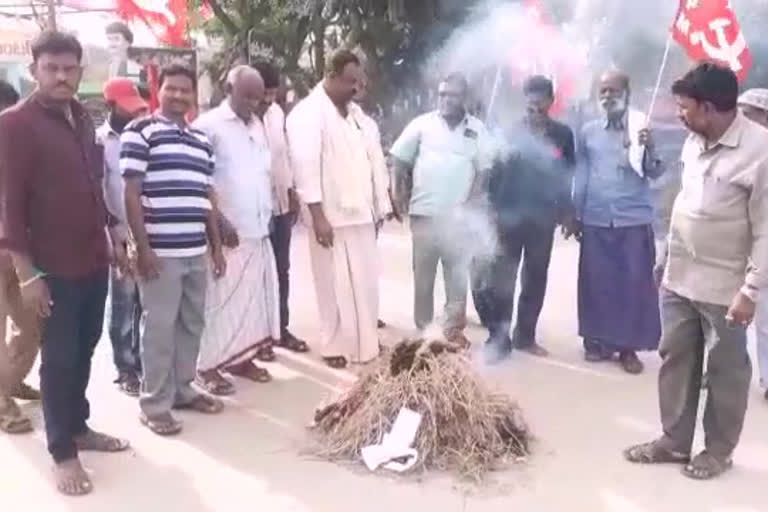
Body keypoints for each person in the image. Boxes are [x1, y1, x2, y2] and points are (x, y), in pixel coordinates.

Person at [0, 31, 130, 496]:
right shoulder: (14, 124)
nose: (60, 76)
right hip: (50, 268)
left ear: (80, 71)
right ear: (35, 69)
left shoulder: (82, 117)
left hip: (92, 259)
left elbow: (93, 184)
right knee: (58, 358)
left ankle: (78, 426)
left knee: (87, 347)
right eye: (51, 68)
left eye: (69, 68)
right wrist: (26, 272)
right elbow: (10, 205)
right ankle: (62, 452)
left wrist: (114, 229)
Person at [624, 63, 768, 480]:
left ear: (709, 107)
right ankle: (673, 441)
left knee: (725, 371)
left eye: (685, 108)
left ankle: (718, 450)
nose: (679, 115)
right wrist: (666, 254)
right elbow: (685, 202)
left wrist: (752, 289)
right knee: (675, 359)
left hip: (727, 286)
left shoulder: (760, 152)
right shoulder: (694, 139)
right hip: (681, 276)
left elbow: (766, 229)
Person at [122, 64, 226, 436]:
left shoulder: (201, 141)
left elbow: (206, 198)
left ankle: (182, 390)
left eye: (186, 90)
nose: (179, 96)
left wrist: (215, 247)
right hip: (160, 254)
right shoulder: (141, 132)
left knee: (192, 323)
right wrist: (142, 248)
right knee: (159, 328)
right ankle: (154, 404)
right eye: (172, 89)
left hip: (195, 250)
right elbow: (131, 194)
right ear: (158, 91)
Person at [286, 50, 391, 369]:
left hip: (362, 214)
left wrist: (381, 205)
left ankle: (365, 344)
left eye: (358, 82)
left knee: (365, 284)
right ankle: (334, 347)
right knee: (333, 285)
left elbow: (376, 163)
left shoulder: (360, 117)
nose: (355, 88)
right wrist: (318, 216)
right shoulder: (308, 114)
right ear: (329, 76)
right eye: (349, 82)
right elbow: (305, 169)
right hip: (330, 218)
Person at [473, 75, 575, 360]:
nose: (536, 104)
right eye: (531, 98)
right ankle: (499, 337)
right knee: (502, 277)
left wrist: (567, 212)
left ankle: (525, 336)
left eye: (541, 98)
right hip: (508, 216)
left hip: (543, 218)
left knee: (535, 278)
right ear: (525, 100)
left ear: (551, 102)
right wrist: (490, 210)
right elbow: (493, 173)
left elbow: (568, 175)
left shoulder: (563, 135)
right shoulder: (509, 132)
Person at [569, 70, 664, 374]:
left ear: (627, 94)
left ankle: (627, 348)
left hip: (632, 219)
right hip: (597, 218)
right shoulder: (588, 132)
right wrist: (576, 213)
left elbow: (655, 172)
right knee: (597, 283)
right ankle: (597, 342)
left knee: (632, 285)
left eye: (613, 90)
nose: (608, 96)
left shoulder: (642, 128)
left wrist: (648, 147)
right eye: (603, 91)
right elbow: (581, 175)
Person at [194, 66, 281, 394]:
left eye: (257, 98)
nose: (253, 103)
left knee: (250, 302)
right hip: (226, 231)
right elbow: (200, 180)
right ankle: (207, 366)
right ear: (227, 88)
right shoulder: (208, 126)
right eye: (247, 96)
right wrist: (216, 220)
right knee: (218, 302)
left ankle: (240, 359)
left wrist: (269, 210)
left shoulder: (257, 125)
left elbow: (261, 173)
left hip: (257, 226)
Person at [390, 73, 491, 346]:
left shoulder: (477, 129)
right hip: (424, 216)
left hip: (458, 220)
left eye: (453, 95)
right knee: (423, 277)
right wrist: (397, 192)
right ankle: (425, 331)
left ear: (465, 99)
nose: (445, 100)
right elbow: (399, 159)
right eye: (442, 94)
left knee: (456, 277)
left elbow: (484, 171)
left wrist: (473, 203)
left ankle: (452, 330)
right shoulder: (422, 125)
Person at [252, 60, 309, 359]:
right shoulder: (238, 118)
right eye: (265, 93)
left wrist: (292, 193)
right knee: (255, 277)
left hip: (280, 207)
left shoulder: (276, 114)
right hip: (251, 213)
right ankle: (257, 340)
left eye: (274, 93)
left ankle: (280, 330)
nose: (269, 99)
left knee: (281, 271)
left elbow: (283, 157)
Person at [98, 78, 148, 397]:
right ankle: (125, 368)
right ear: (110, 107)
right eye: (127, 110)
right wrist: (111, 236)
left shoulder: (144, 136)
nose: (134, 116)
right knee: (123, 304)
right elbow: (99, 192)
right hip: (119, 234)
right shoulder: (98, 142)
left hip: (146, 233)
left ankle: (144, 364)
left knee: (146, 303)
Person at [0, 80, 41, 436]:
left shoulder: (20, 147)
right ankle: (2, 405)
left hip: (22, 254)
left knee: (32, 328)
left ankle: (10, 381)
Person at [740, 88, 768, 401]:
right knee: (726, 316)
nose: (743, 120)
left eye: (750, 114)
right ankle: (720, 371)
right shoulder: (736, 150)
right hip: (736, 244)